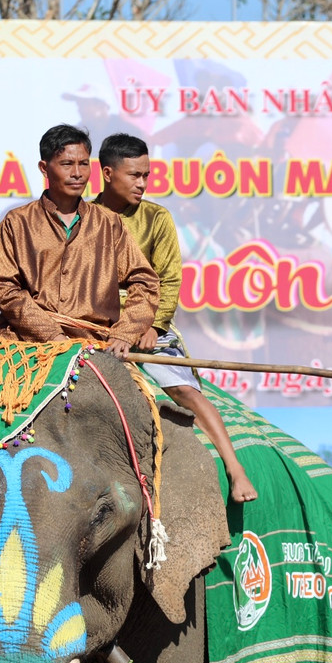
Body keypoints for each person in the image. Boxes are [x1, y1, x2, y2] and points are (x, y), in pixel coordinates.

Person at [93, 133, 257, 503]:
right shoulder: (85, 218)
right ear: (107, 173)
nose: (142, 183)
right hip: (95, 329)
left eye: (146, 175)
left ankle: (235, 468)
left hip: (147, 324)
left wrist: (154, 325)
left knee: (183, 390)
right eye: (134, 175)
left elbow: (168, 277)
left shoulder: (156, 217)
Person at [0, 123, 160, 354]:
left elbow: (145, 282)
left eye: (84, 164)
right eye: (67, 164)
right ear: (44, 168)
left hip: (95, 343)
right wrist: (51, 335)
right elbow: (5, 288)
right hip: (27, 341)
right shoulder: (17, 222)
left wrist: (125, 333)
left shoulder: (108, 223)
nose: (77, 173)